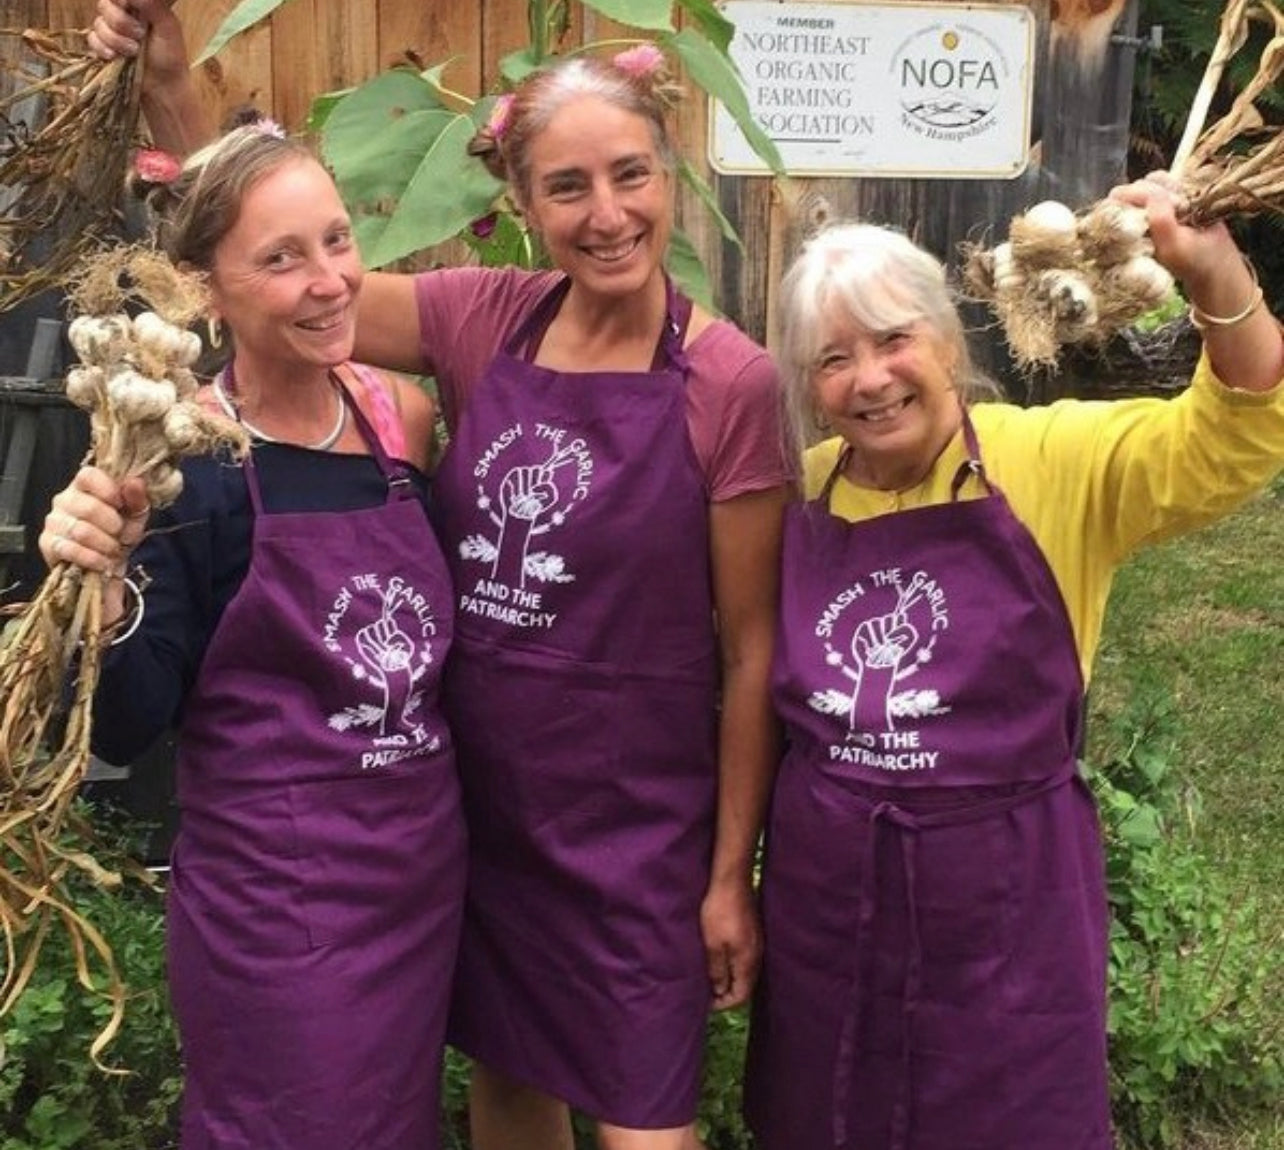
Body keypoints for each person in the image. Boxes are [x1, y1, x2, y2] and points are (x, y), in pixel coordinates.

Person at [90, 6, 792, 1148]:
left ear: (669, 171)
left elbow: (755, 650)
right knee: (510, 1089)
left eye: (630, 175)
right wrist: (174, 92)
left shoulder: (729, 381)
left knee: (642, 1119)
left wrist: (729, 873)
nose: (607, 215)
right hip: (478, 821)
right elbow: (276, 270)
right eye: (566, 188)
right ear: (520, 207)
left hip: (633, 834)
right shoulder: (486, 319)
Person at [743, 192, 1284, 1149]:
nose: (869, 380)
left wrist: (1214, 272)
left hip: (1005, 905)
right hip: (831, 901)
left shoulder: (1055, 458)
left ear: (948, 341)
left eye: (890, 340)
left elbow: (1237, 426)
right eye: (832, 359)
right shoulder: (800, 495)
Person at [40, 125, 466, 1149]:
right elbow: (133, 718)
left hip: (417, 884)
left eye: (336, 240)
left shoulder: (394, 421)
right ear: (203, 291)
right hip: (280, 911)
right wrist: (91, 586)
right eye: (282, 258)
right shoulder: (194, 468)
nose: (330, 281)